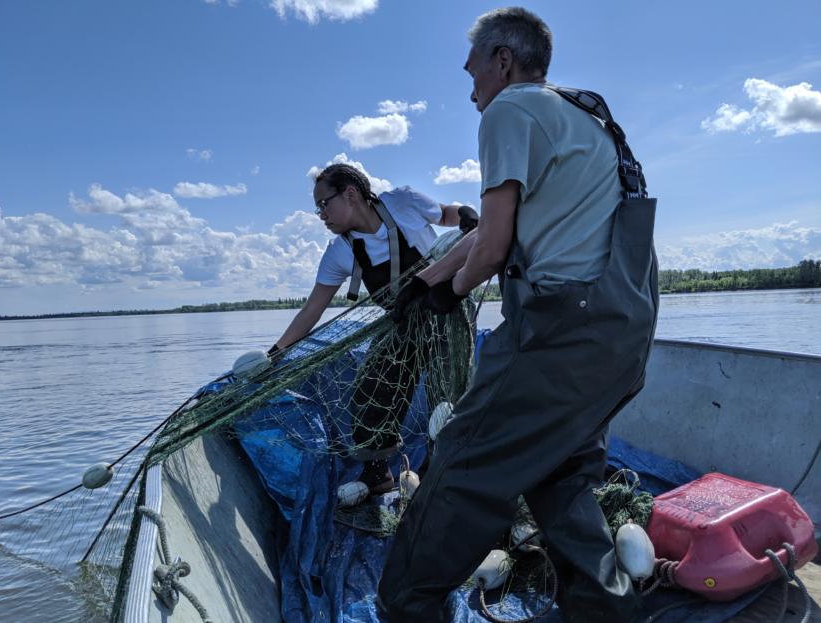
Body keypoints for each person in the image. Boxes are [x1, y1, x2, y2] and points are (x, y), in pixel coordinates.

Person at [378, 7, 658, 623]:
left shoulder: (509, 109)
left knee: (464, 461)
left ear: (503, 60)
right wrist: (426, 281)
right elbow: (488, 238)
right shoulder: (585, 113)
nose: (469, 82)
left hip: (558, 331)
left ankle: (405, 606)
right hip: (621, 333)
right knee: (560, 478)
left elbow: (495, 242)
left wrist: (447, 294)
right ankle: (609, 613)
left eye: (473, 66)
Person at [271, 163, 477, 498]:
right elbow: (312, 309)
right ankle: (377, 473)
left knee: (448, 392)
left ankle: (444, 471)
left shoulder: (403, 202)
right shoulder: (340, 253)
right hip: (401, 322)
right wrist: (277, 352)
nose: (321, 214)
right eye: (317, 207)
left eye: (324, 203)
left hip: (446, 312)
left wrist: (465, 214)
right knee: (372, 384)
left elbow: (444, 215)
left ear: (351, 194)